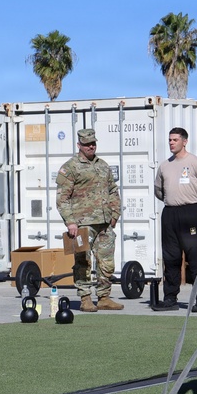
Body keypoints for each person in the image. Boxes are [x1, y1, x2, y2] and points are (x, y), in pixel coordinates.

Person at [56, 128, 124, 312]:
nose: (91, 147)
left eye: (93, 143)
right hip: (82, 224)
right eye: (87, 144)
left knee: (106, 261)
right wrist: (70, 222)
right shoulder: (70, 167)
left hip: (104, 222)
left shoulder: (103, 165)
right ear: (79, 145)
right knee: (83, 262)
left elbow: (113, 190)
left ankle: (104, 297)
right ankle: (85, 298)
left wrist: (115, 215)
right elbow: (62, 198)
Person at [153, 127, 197, 312]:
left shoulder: (196, 163)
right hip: (170, 214)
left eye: (175, 140)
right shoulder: (164, 165)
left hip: (190, 213)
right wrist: (172, 200)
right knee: (171, 257)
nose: (171, 143)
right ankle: (170, 299)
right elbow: (159, 191)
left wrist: (196, 204)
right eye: (170, 140)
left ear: (184, 141)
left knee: (195, 257)